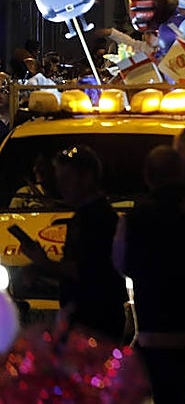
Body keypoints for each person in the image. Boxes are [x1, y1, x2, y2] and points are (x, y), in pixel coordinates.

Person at [114, 147, 185, 404]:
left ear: (148, 176)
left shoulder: (135, 219)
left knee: (168, 396)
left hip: (156, 331)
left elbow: (122, 264)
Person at [16, 146, 127, 341]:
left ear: (87, 178)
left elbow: (88, 271)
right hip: (86, 319)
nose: (61, 186)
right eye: (59, 179)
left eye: (66, 179)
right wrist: (41, 269)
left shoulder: (98, 218)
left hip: (95, 322)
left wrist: (44, 264)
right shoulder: (83, 216)